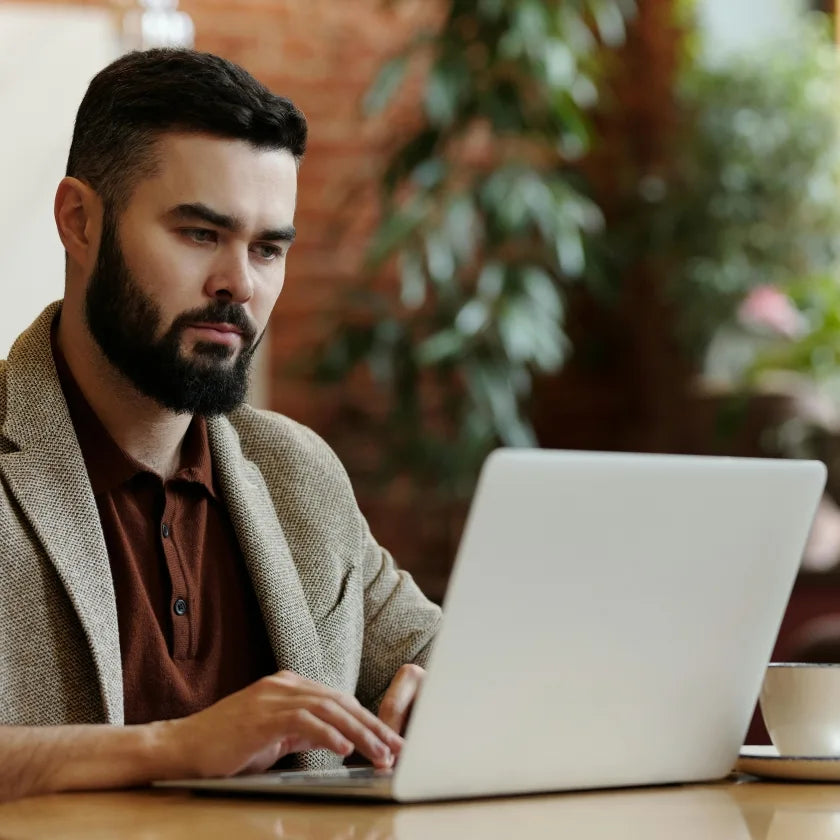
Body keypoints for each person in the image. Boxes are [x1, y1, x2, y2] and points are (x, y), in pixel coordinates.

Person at [0, 48, 441, 801]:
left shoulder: (298, 469)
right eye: (201, 234)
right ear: (79, 222)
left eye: (267, 248)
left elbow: (439, 652)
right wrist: (175, 746)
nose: (240, 283)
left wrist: (450, 692)